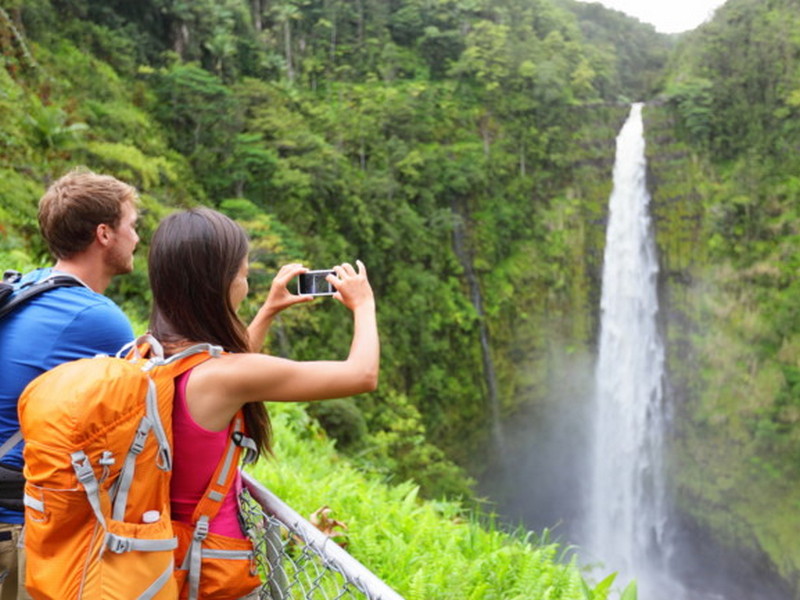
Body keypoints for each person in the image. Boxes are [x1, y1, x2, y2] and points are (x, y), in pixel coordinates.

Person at [147, 208, 379, 598]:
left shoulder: (151, 353)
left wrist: (269, 309)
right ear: (219, 283)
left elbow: (226, 376)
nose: (247, 281)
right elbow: (362, 374)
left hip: (163, 558)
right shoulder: (224, 376)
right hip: (213, 570)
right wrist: (365, 304)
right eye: (243, 271)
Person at [0, 168, 139, 600]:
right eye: (131, 226)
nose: (137, 238)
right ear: (104, 234)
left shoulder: (27, 285)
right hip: (20, 526)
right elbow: (160, 403)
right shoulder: (96, 318)